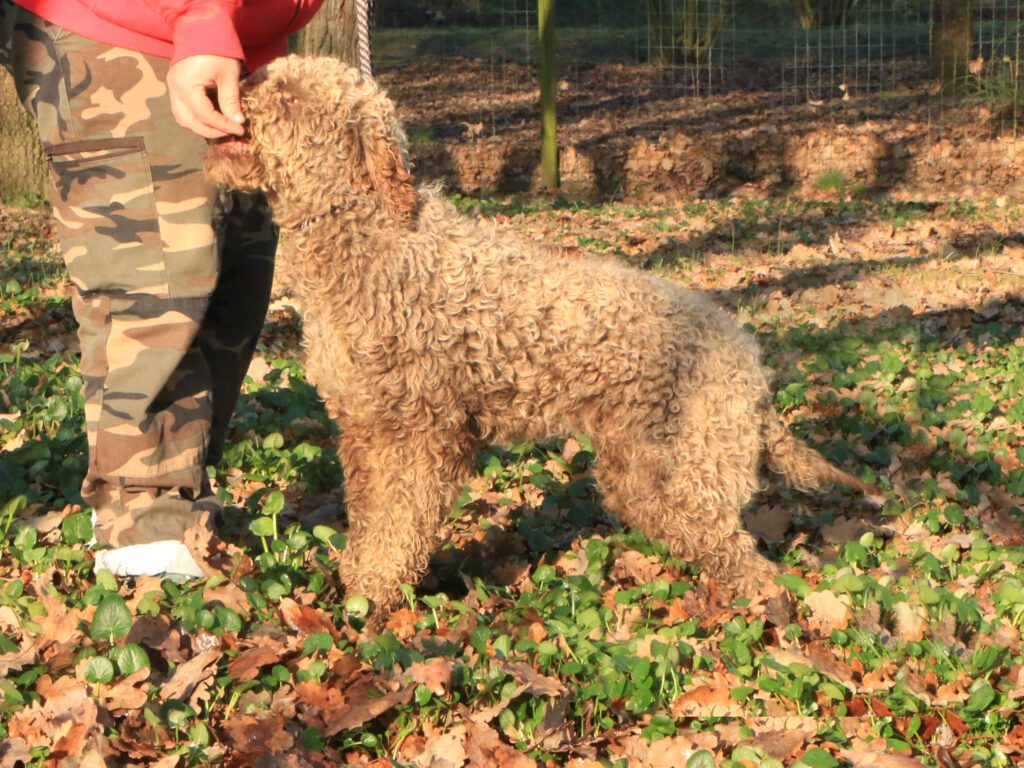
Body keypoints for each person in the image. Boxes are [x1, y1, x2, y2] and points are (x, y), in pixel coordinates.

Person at [0, 0, 324, 577]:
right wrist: (200, 16)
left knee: (238, 273)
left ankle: (181, 496)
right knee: (156, 276)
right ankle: (143, 532)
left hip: (244, 31)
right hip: (131, 24)